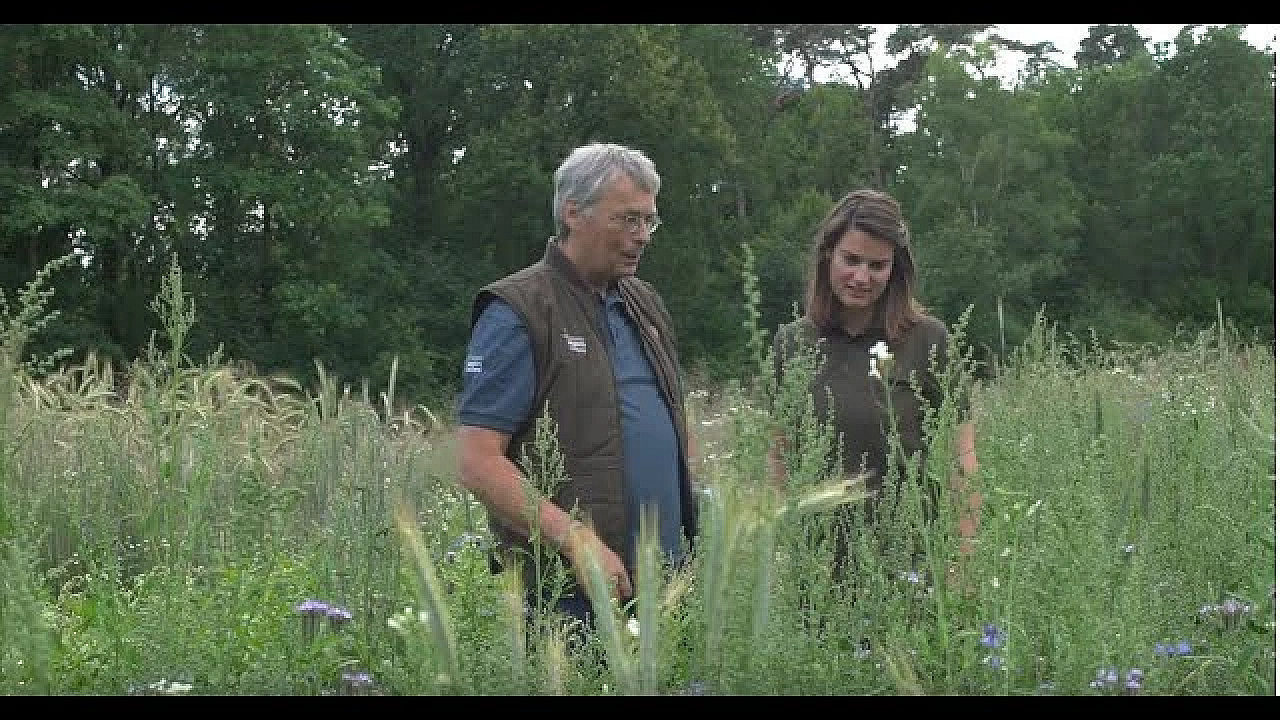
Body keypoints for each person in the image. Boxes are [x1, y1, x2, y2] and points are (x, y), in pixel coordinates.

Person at [455, 142, 698, 631]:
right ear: (573, 212)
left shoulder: (644, 303)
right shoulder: (520, 309)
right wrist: (575, 541)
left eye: (649, 221)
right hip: (568, 594)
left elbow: (669, 423)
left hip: (663, 586)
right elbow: (476, 460)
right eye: (627, 220)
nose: (642, 236)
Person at [769, 187, 981, 584]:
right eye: (851, 260)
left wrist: (965, 561)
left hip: (906, 561)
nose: (861, 278)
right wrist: (778, 551)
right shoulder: (792, 343)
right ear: (827, 255)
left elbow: (962, 460)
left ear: (895, 270)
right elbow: (777, 458)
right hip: (815, 568)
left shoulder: (928, 341)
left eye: (878, 265)